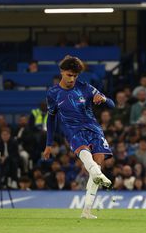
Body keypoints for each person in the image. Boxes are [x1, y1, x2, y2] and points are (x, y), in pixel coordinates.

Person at [43, 55, 115, 219]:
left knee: (95, 167)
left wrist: (103, 99)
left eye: (75, 76)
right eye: (69, 75)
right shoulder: (53, 93)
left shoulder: (86, 88)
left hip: (94, 130)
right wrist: (49, 144)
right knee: (85, 155)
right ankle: (99, 174)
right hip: (73, 130)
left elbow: (112, 104)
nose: (72, 79)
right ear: (62, 72)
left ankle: (87, 211)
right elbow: (51, 118)